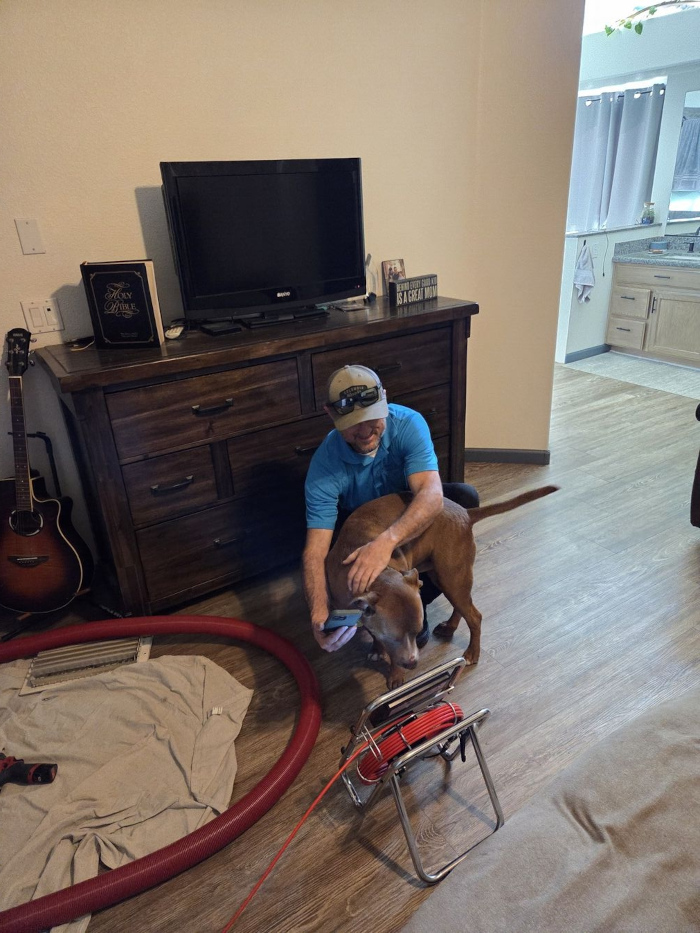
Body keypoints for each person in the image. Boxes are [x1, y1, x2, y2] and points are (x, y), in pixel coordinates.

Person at [302, 363, 479, 654]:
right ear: (330, 414)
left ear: (384, 398)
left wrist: (387, 542)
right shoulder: (324, 465)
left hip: (401, 512)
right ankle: (385, 607)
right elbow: (315, 550)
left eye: (373, 418)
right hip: (358, 521)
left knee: (463, 498)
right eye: (353, 423)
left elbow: (431, 495)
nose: (365, 431)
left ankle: (412, 603)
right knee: (333, 564)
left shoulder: (408, 423)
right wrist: (319, 613)